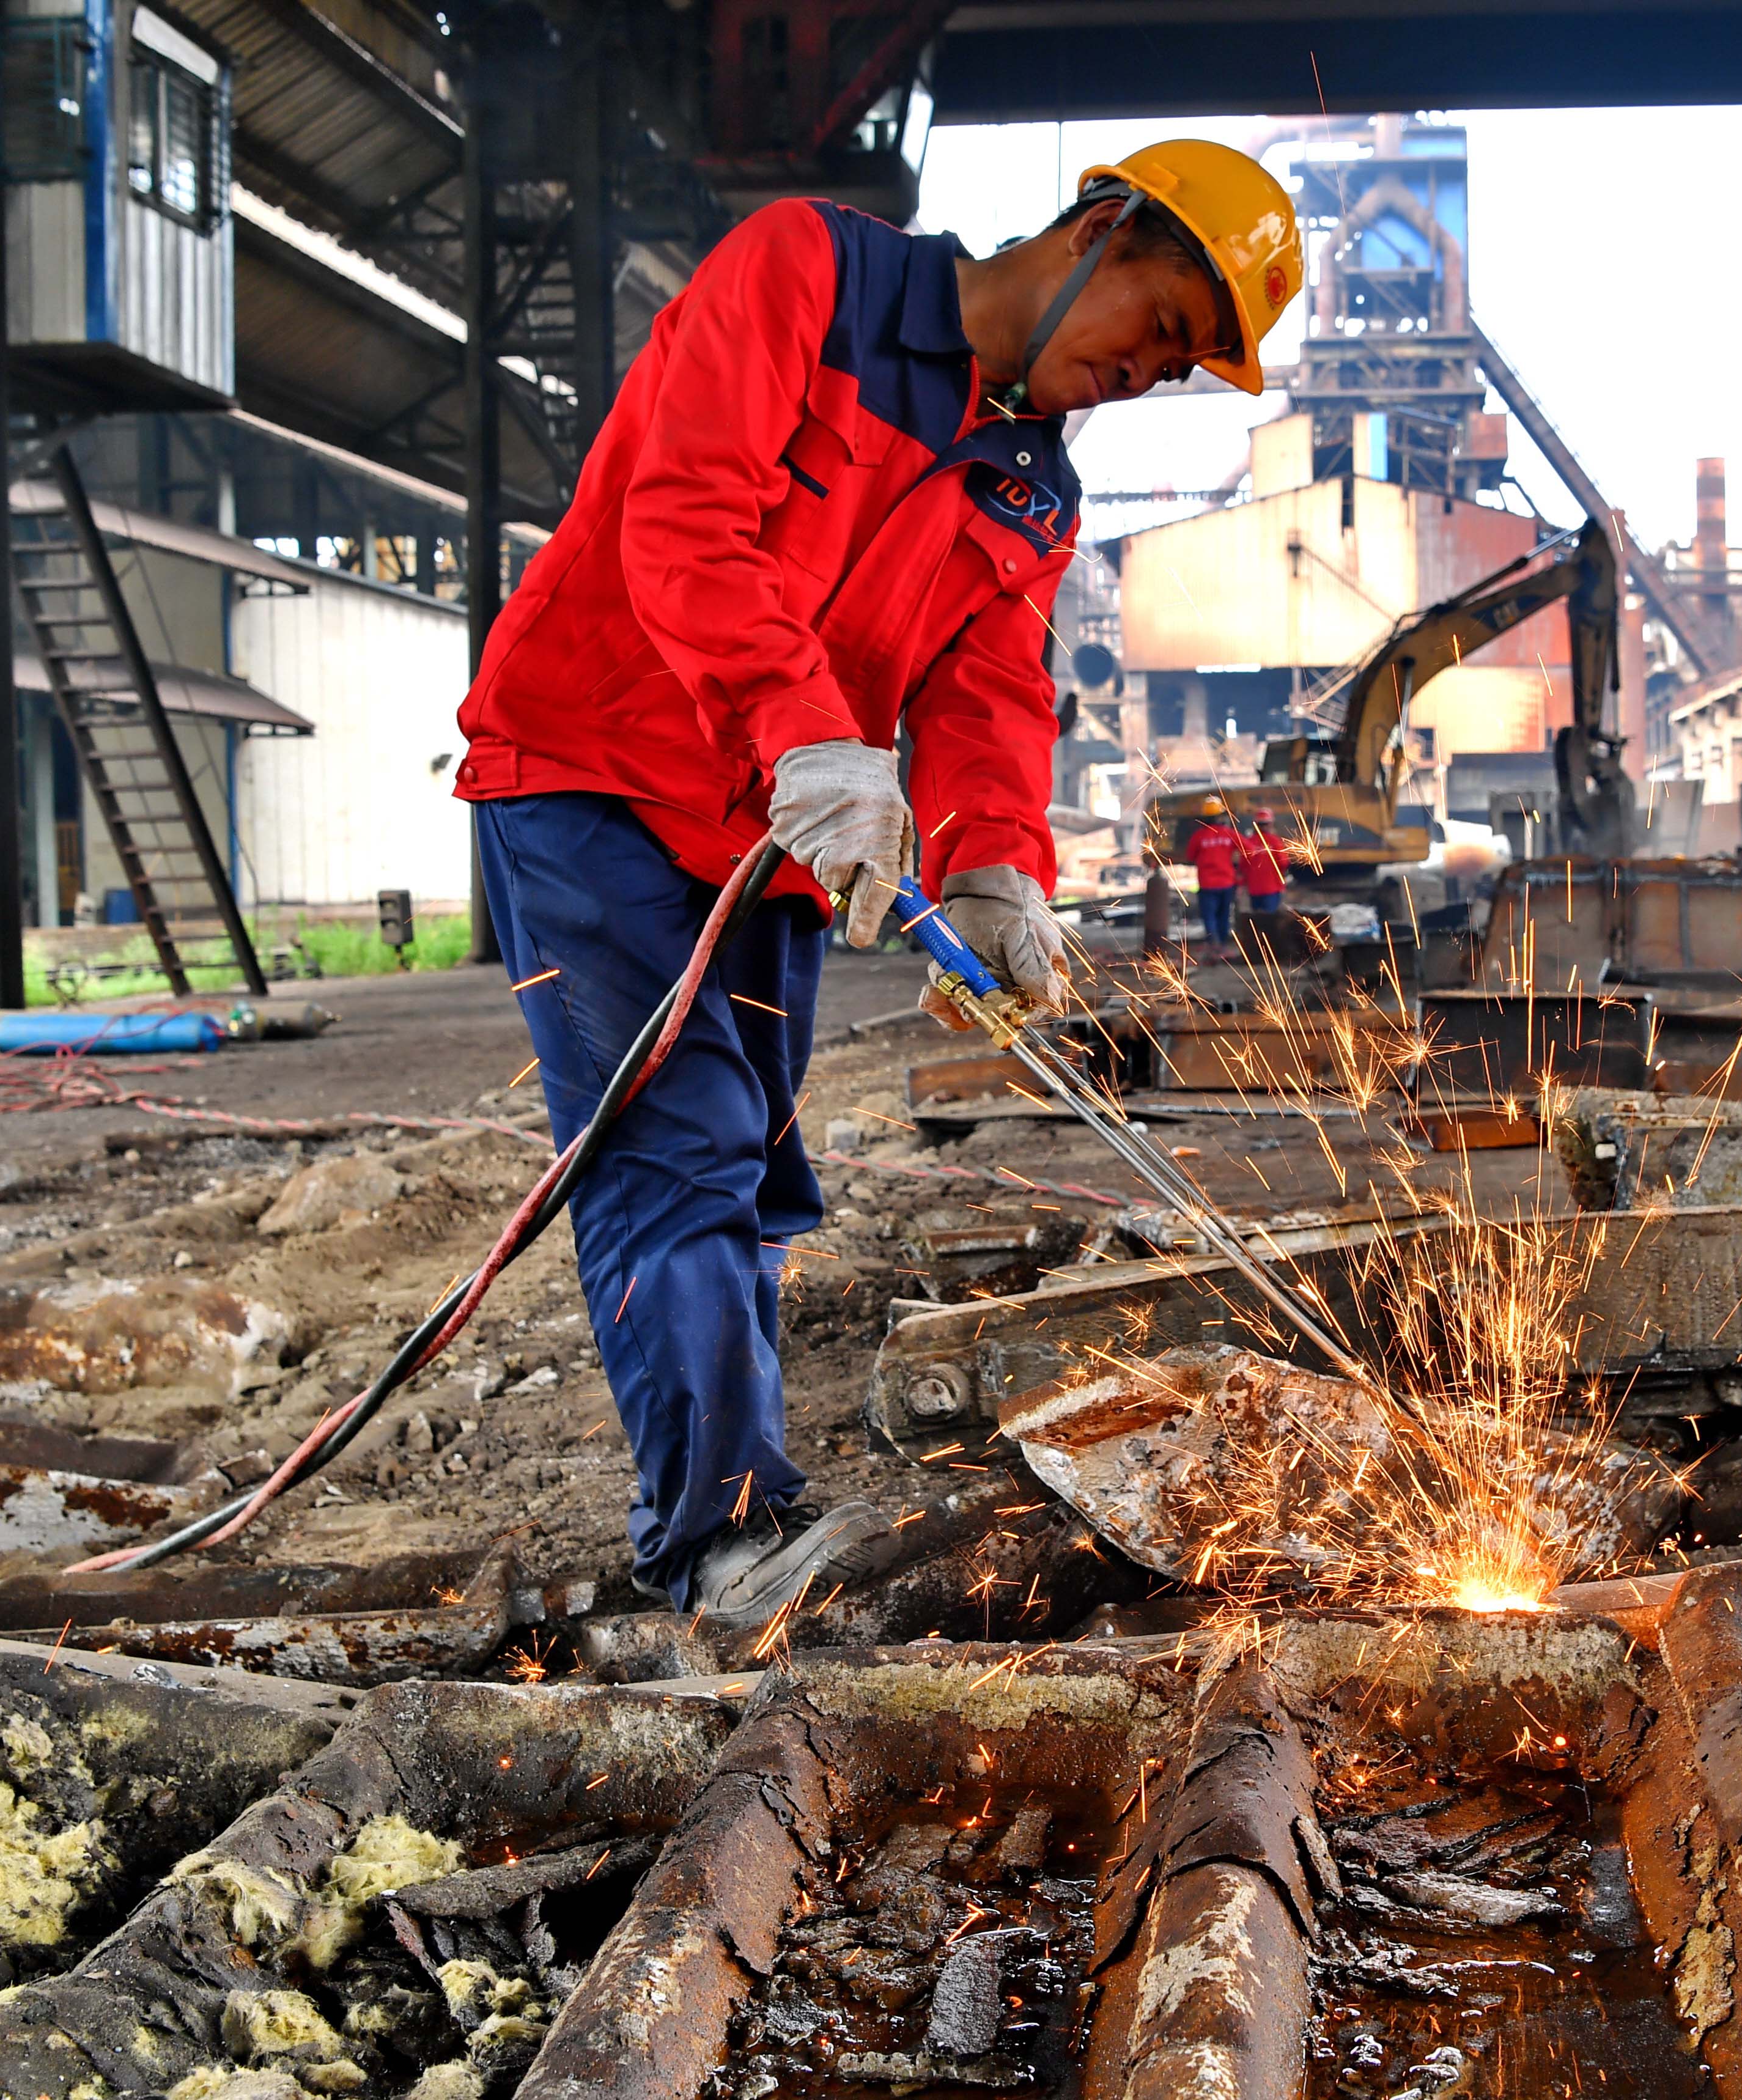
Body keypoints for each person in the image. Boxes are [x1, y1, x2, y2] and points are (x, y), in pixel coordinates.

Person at [451, 142, 1302, 1623]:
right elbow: (685, 518)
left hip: (777, 834)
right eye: (1162, 325)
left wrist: (994, 874)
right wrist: (811, 737)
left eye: (1182, 369)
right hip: (592, 769)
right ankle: (719, 1539)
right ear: (1099, 229)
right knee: (681, 1145)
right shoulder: (807, 277)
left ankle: (731, 1493)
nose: (1147, 373)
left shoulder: (1030, 488)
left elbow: (989, 697)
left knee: (752, 1178)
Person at [1188, 795, 1241, 948]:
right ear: (1220, 816)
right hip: (1227, 882)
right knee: (1224, 915)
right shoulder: (1229, 834)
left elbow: (1191, 856)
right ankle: (1222, 944)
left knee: (1209, 916)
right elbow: (1249, 849)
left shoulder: (1199, 836)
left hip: (1207, 884)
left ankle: (1213, 943)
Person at [1240, 808, 1290, 918]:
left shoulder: (1248, 842)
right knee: (1270, 920)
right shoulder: (1275, 841)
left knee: (1258, 921)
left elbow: (1243, 865)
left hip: (1254, 889)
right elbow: (1284, 863)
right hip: (1272, 888)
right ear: (1271, 823)